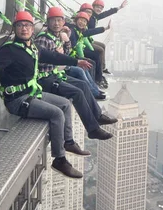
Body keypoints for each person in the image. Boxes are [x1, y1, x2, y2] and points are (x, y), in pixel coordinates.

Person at [0, 11, 95, 179]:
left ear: (33, 29)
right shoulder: (10, 50)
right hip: (17, 101)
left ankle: (68, 142)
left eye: (27, 25)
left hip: (32, 94)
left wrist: (76, 61)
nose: (24, 29)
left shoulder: (33, 48)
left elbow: (53, 56)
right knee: (56, 114)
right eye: (20, 25)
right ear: (15, 29)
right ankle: (59, 159)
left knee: (65, 104)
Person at [34, 7, 117, 136]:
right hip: (44, 79)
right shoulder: (43, 39)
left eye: (59, 20)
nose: (56, 23)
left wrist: (66, 41)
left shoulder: (56, 36)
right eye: (53, 21)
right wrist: (58, 55)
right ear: (48, 22)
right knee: (77, 92)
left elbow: (65, 55)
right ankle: (93, 129)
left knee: (83, 85)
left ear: (63, 22)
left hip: (54, 74)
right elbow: (40, 61)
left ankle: (98, 116)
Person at [66, 11, 110, 87]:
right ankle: (94, 85)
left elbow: (91, 31)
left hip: (75, 54)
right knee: (89, 63)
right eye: (80, 20)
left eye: (84, 21)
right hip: (72, 56)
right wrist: (81, 57)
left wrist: (104, 28)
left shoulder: (79, 31)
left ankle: (94, 84)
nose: (82, 23)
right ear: (76, 20)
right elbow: (75, 46)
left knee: (91, 61)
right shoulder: (72, 30)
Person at [87, 0, 128, 75]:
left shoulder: (95, 17)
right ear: (93, 7)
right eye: (97, 7)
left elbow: (106, 13)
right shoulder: (89, 17)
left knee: (102, 45)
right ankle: (100, 72)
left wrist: (119, 7)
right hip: (84, 41)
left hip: (87, 39)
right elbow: (90, 31)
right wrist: (104, 28)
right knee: (100, 50)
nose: (99, 9)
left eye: (101, 8)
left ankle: (103, 67)